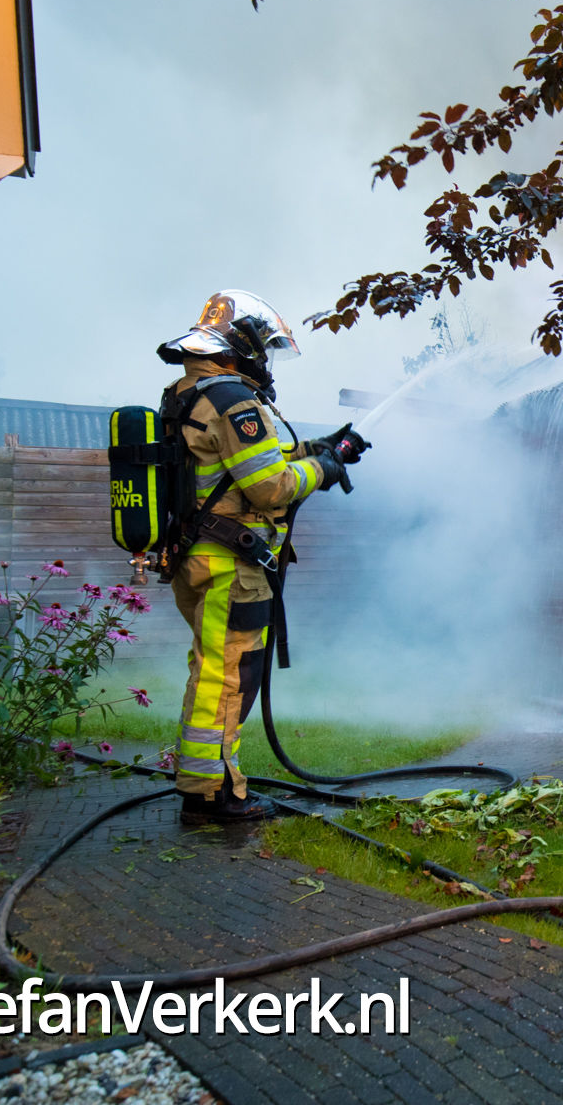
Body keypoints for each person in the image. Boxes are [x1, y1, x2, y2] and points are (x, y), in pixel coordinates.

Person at [155, 290, 360, 823]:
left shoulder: (187, 394)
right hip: (230, 566)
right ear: (241, 346)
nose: (265, 362)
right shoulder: (233, 399)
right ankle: (212, 796)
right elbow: (269, 487)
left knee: (210, 671)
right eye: (262, 350)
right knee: (228, 676)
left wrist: (318, 448)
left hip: (197, 557)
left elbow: (243, 462)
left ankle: (202, 782)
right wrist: (324, 471)